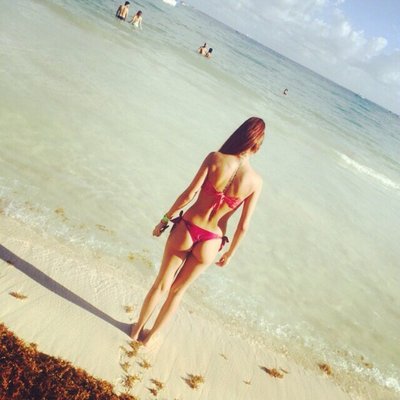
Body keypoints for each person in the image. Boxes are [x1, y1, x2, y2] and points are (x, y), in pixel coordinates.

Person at [130, 117, 265, 346]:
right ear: (257, 145)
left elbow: (189, 194)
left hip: (186, 229)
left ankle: (135, 331)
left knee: (161, 284)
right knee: (177, 292)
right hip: (212, 241)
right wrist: (230, 253)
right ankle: (149, 339)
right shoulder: (256, 182)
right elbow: (243, 226)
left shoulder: (215, 158)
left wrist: (165, 219)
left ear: (240, 135)